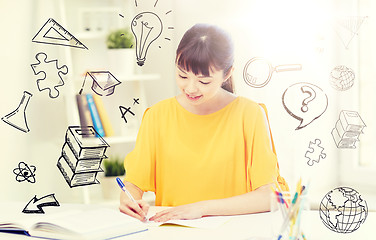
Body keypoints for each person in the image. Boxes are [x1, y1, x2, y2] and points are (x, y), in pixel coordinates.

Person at [119, 23, 288, 222]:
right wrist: (128, 199)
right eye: (182, 75)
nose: (190, 88)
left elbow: (270, 197)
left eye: (204, 81)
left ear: (227, 73)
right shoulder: (157, 116)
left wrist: (201, 208)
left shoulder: (249, 114)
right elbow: (134, 183)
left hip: (233, 232)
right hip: (173, 232)